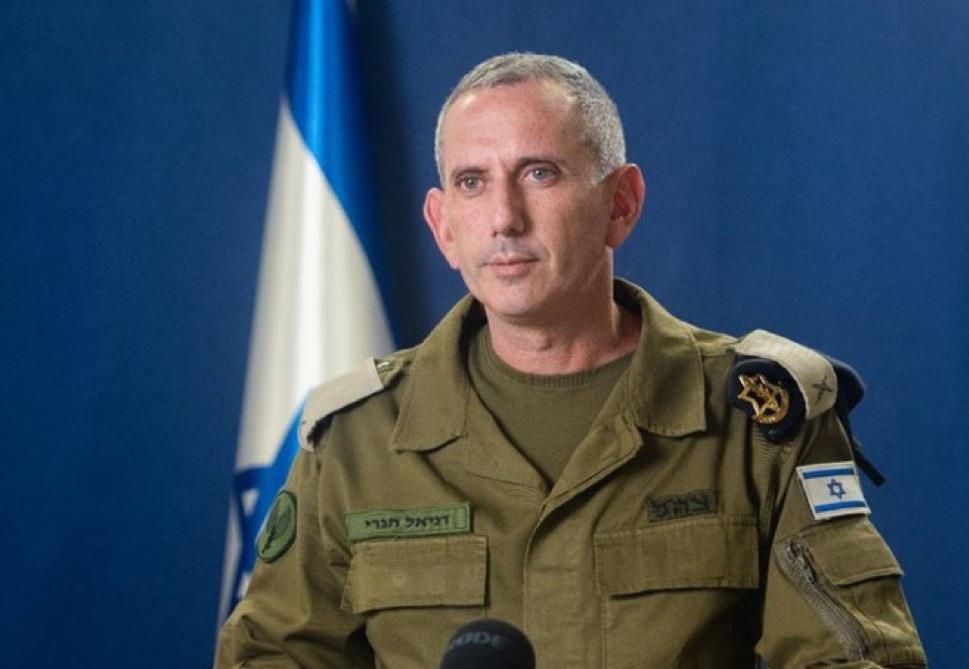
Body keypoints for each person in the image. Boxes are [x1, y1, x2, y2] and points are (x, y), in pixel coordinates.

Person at [215, 52, 926, 668]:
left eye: (540, 173)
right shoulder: (357, 442)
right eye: (472, 182)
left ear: (621, 203)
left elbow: (855, 657)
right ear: (443, 226)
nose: (504, 217)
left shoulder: (758, 423)